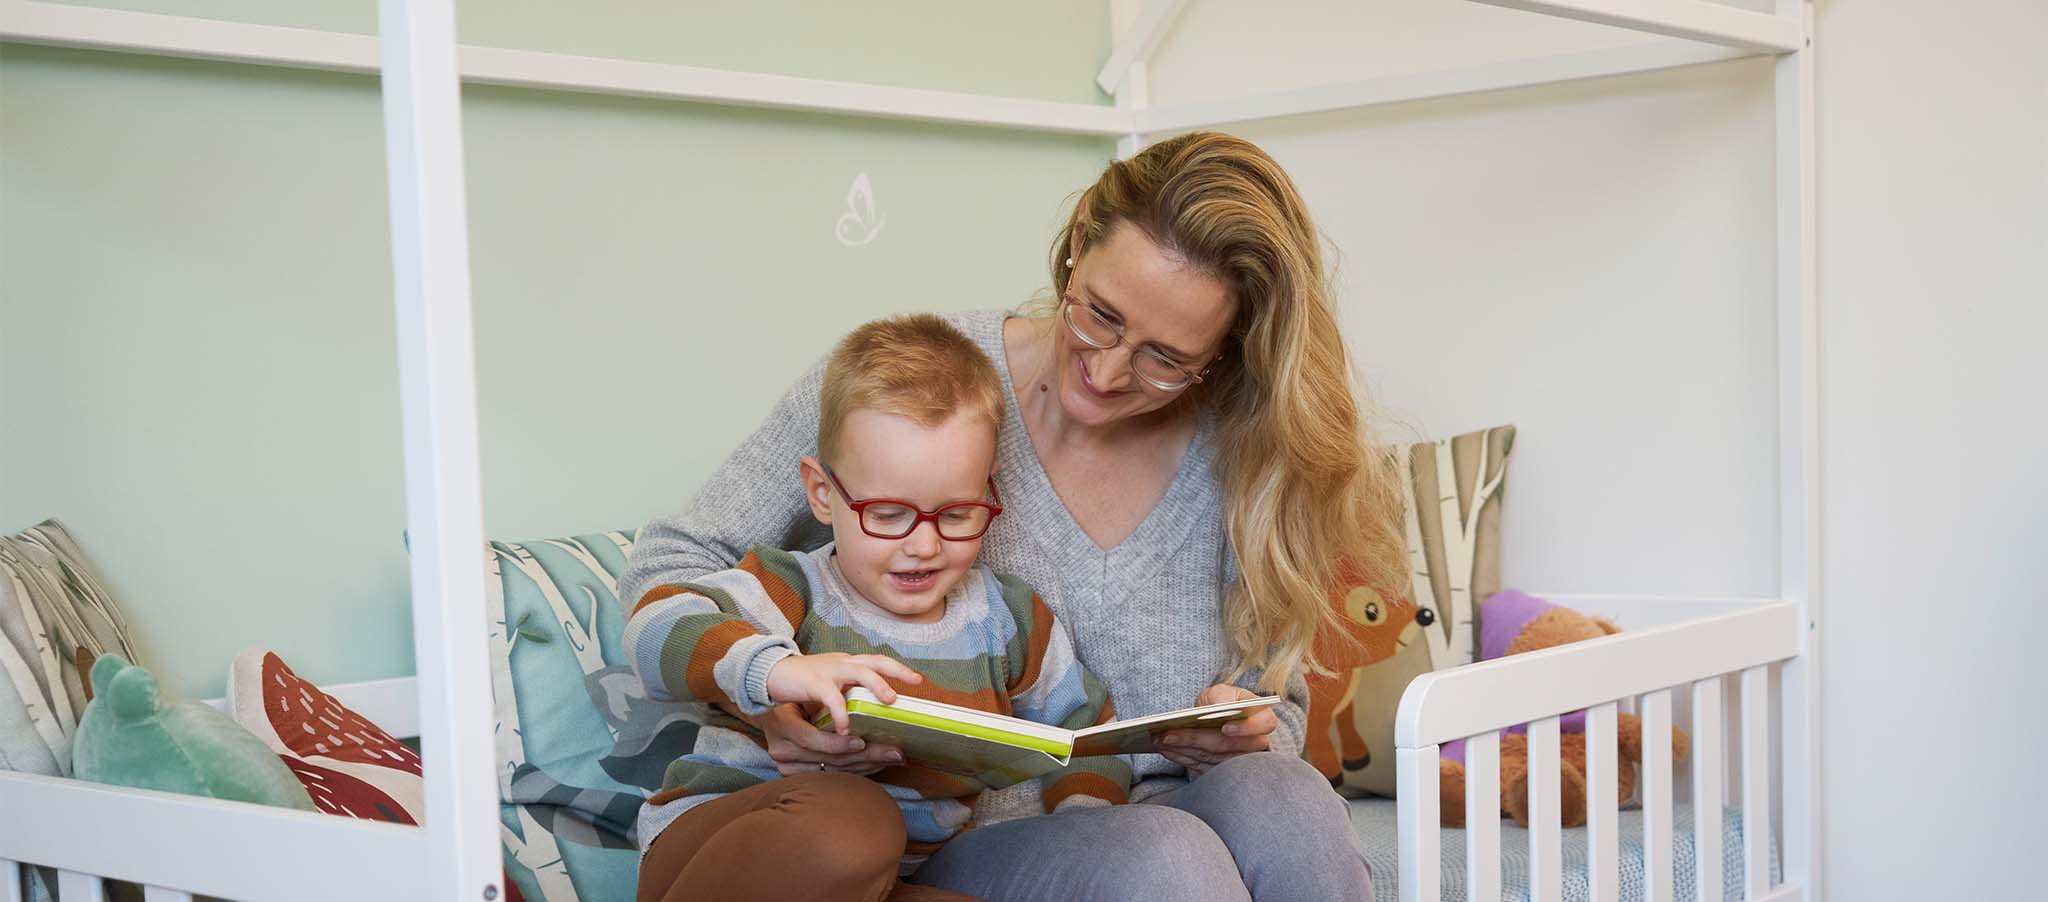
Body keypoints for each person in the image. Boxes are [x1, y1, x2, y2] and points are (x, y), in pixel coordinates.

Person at [621, 132, 1405, 901]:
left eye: (1166, 359)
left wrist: (1242, 734)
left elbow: (1278, 696)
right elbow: (672, 572)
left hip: (1145, 819)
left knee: (1288, 798)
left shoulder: (1245, 455)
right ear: (1078, 237)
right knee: (1161, 853)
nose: (1104, 371)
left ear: (1226, 351)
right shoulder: (917, 388)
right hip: (962, 841)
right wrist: (774, 691)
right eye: (1097, 313)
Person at [630, 315, 1130, 902]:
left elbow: (1089, 732)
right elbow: (654, 629)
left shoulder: (1007, 621)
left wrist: (1082, 821)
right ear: (822, 493)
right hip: (714, 855)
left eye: (955, 514)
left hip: (880, 883)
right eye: (888, 515)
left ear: (989, 489)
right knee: (858, 820)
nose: (923, 544)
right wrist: (778, 671)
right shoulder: (793, 588)